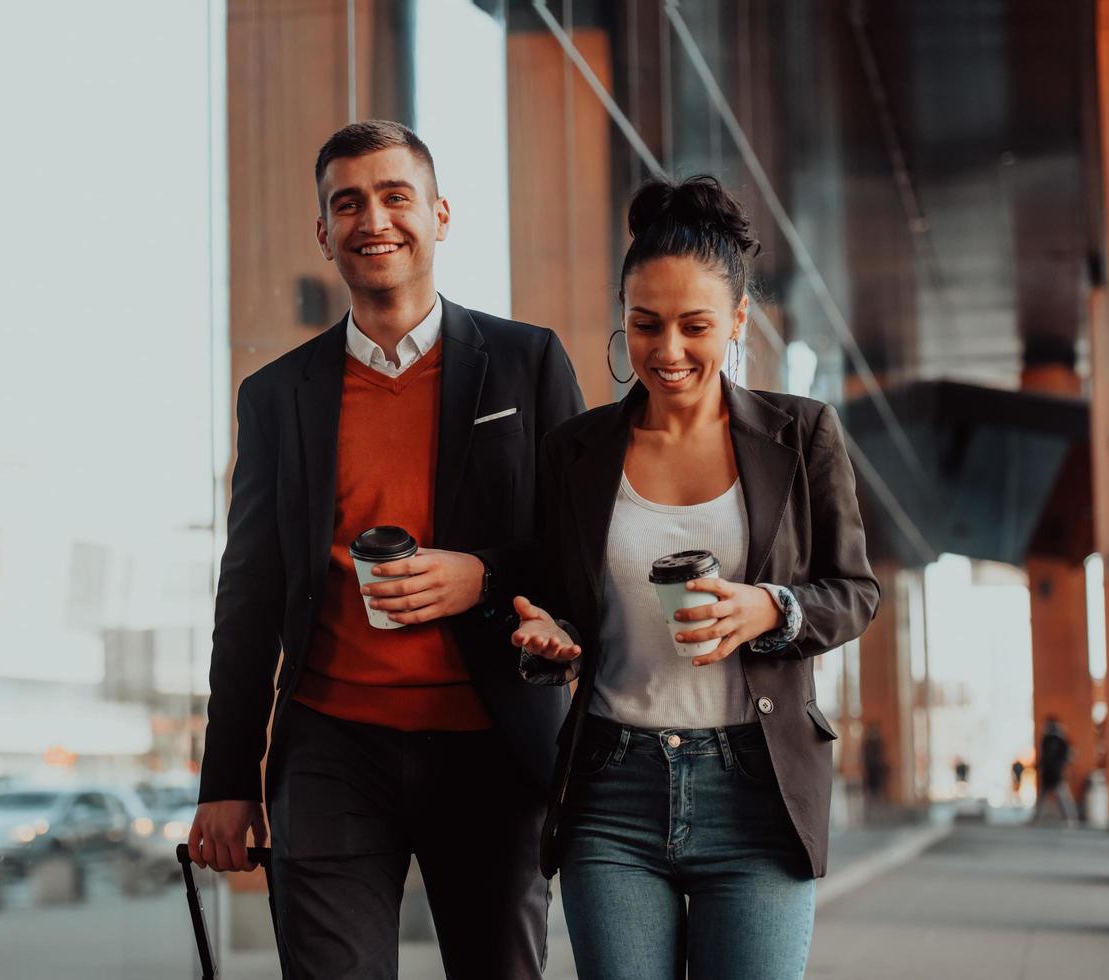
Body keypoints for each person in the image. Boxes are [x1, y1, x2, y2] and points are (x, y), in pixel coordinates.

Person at [187, 120, 584, 979]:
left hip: (492, 744)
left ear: (439, 215)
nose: (375, 218)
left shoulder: (528, 362)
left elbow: (582, 549)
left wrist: (482, 576)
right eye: (349, 203)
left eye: (396, 195)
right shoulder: (275, 397)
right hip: (332, 752)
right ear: (323, 234)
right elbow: (249, 593)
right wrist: (227, 780)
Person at [509, 176, 879, 980]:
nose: (667, 350)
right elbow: (559, 606)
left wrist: (769, 608)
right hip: (611, 787)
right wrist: (550, 639)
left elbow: (854, 592)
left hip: (757, 788)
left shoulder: (802, 433)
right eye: (645, 325)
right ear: (623, 317)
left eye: (694, 326)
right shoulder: (574, 451)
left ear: (739, 321)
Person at [1033, 715, 1076, 824]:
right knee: (1052, 798)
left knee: (1062, 797)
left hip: (1054, 774)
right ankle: (1070, 819)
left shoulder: (1055, 741)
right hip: (1051, 774)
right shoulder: (1050, 740)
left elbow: (1066, 756)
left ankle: (1070, 818)